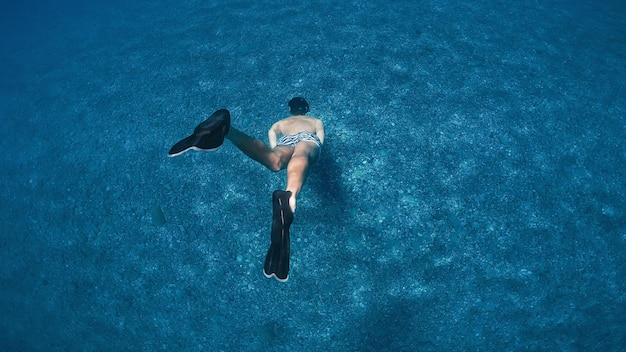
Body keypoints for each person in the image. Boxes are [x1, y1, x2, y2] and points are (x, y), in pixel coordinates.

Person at [168, 97, 324, 282]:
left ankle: (228, 131)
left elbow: (273, 142)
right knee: (302, 154)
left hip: (286, 140)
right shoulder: (315, 121)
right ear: (306, 109)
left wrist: (278, 153)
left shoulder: (280, 123)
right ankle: (289, 196)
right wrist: (315, 148)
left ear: (290, 110)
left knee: (274, 160)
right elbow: (320, 140)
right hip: (307, 138)